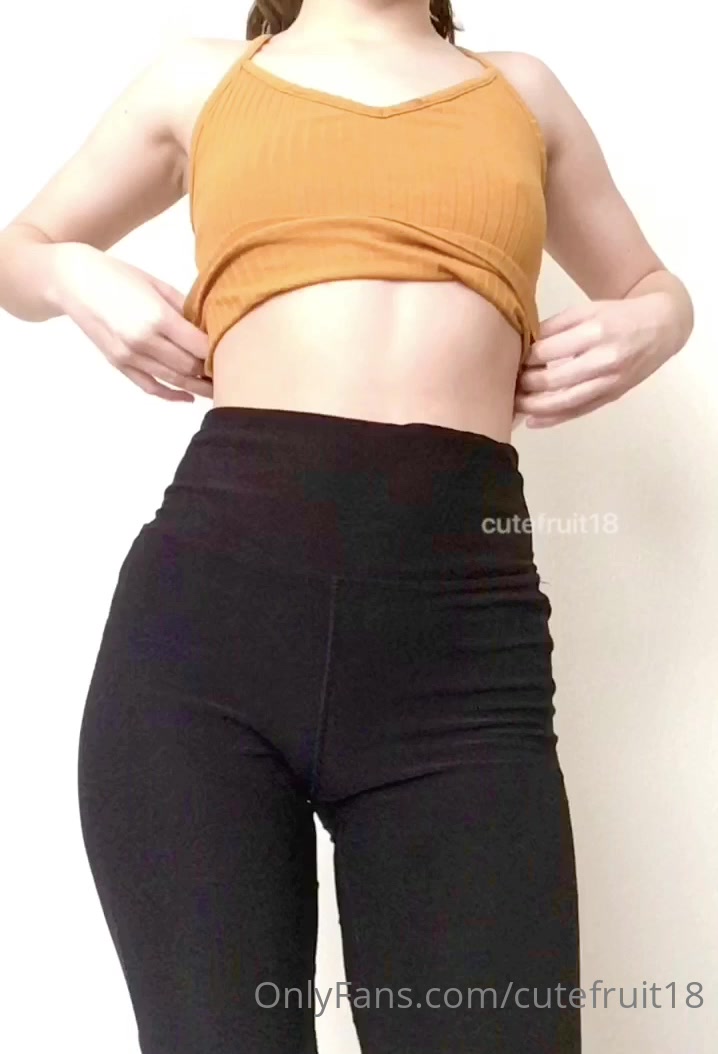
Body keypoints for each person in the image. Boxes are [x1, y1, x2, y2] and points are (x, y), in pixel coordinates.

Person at [0, 1, 693, 1052]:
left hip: (462, 658)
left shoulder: (523, 93)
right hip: (204, 648)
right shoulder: (200, 82)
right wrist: (72, 274)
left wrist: (659, 319)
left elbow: (651, 285)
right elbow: (20, 249)